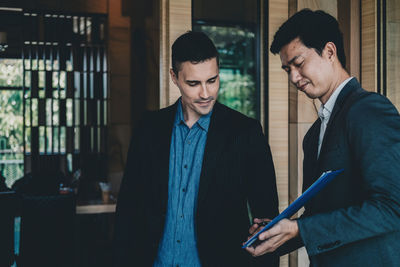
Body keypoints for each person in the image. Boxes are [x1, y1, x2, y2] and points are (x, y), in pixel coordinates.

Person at [246, 8, 400, 266]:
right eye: (287, 69)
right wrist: (281, 231)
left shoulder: (369, 109)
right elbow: (320, 216)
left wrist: (299, 229)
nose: (294, 77)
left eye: (299, 63)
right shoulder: (314, 134)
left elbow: (392, 207)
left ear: (329, 52)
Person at [113, 31, 279, 267]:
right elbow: (127, 211)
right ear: (174, 77)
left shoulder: (246, 133)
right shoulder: (148, 129)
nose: (205, 93)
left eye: (212, 80)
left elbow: (268, 222)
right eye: (193, 83)